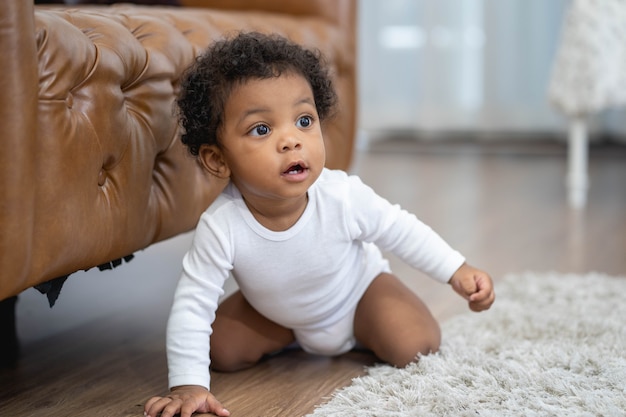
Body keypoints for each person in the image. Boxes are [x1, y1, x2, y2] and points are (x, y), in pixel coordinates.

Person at [144, 31, 495, 417]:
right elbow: (192, 305)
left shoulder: (341, 196)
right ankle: (294, 338)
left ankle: (365, 334)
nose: (291, 140)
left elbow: (402, 229)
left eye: (304, 120)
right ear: (217, 159)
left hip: (357, 297)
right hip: (277, 316)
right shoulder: (221, 225)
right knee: (220, 350)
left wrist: (456, 269)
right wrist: (188, 384)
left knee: (417, 344)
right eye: (262, 129)